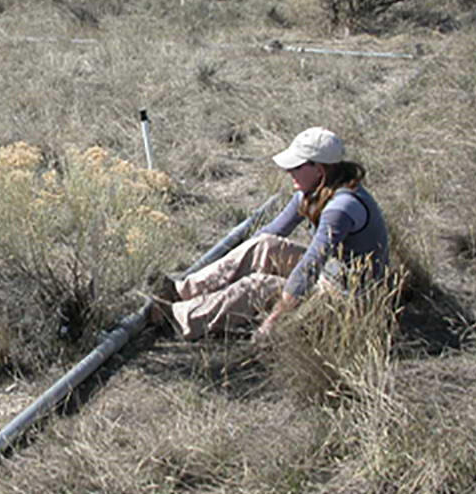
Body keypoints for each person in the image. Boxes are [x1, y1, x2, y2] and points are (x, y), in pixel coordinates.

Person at [151, 127, 389, 341]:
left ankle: (177, 319)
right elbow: (271, 233)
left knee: (258, 286)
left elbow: (310, 266)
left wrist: (273, 320)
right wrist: (233, 262)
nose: (288, 172)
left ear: (319, 169)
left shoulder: (341, 208)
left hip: (349, 298)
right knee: (264, 245)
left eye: (296, 167)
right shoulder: (315, 191)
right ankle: (182, 291)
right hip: (330, 275)